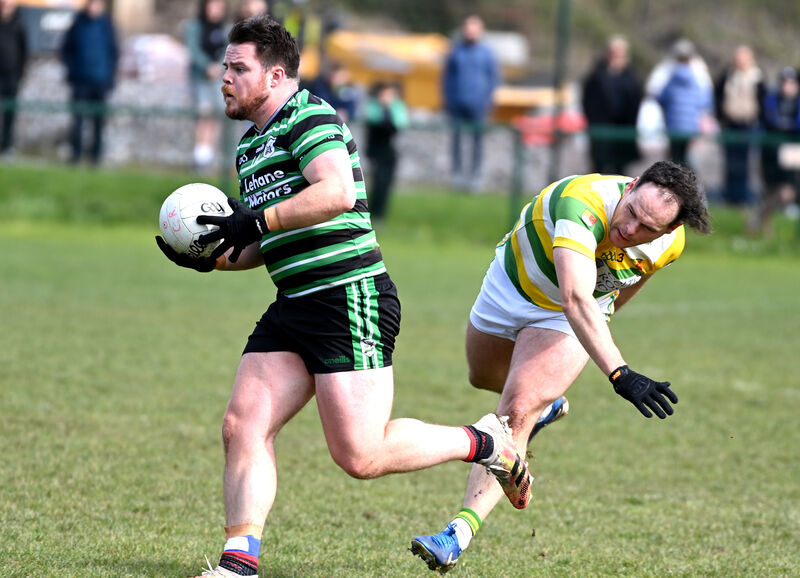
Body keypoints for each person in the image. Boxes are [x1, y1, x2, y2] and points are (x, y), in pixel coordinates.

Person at [154, 16, 532, 577]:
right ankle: (239, 562)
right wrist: (213, 256)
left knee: (360, 456)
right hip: (295, 303)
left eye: (238, 68)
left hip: (347, 296)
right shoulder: (252, 145)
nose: (224, 77)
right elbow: (266, 237)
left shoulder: (308, 116)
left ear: (276, 75)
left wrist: (253, 219)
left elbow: (336, 192)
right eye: (225, 66)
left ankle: (483, 442)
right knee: (243, 424)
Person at [410, 160, 712, 573]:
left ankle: (456, 535)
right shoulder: (580, 202)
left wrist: (602, 337)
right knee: (480, 376)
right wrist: (621, 372)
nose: (630, 229)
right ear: (632, 185)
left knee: (514, 413)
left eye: (647, 228)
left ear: (667, 231)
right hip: (512, 288)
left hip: (565, 316)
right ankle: (547, 407)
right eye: (632, 212)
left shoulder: (669, 244)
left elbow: (621, 286)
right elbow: (575, 295)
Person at [442, 14, 500, 193]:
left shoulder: (487, 54)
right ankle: (457, 176)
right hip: (457, 104)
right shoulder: (456, 51)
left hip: (478, 106)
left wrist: (488, 101)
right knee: (457, 140)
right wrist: (449, 100)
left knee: (477, 142)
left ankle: (476, 176)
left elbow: (493, 79)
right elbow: (447, 79)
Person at [60, 0, 118, 165]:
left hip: (100, 81)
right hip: (80, 81)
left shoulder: (107, 25)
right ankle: (76, 154)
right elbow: (66, 49)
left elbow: (114, 52)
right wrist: (72, 72)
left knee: (98, 121)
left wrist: (110, 78)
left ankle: (96, 156)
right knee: (78, 119)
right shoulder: (77, 23)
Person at [581, 35, 643, 175]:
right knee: (598, 172)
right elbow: (588, 101)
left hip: (623, 131)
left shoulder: (631, 77)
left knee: (621, 173)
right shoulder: (597, 75)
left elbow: (636, 101)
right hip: (602, 131)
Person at [715, 45, 765, 206]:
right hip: (730, 124)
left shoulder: (757, 77)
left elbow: (762, 101)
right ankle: (729, 196)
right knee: (730, 161)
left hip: (748, 125)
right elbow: (718, 96)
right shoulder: (728, 76)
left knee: (744, 163)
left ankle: (742, 196)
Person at [655, 39, 715, 165]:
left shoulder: (669, 75)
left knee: (674, 158)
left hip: (673, 125)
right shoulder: (698, 76)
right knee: (685, 157)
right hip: (690, 126)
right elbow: (704, 101)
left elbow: (660, 97)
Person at [185, 0, 229, 172]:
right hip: (200, 78)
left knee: (216, 115)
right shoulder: (194, 27)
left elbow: (228, 48)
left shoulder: (226, 28)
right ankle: (200, 155)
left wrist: (218, 67)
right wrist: (206, 66)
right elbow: (193, 49)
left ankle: (209, 154)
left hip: (218, 77)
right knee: (203, 114)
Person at [757, 66, 800, 237]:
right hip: (771, 151)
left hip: (791, 151)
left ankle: (759, 216)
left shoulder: (796, 102)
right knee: (769, 190)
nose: (787, 86)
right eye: (784, 82)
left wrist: (786, 127)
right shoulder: (772, 99)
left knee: (788, 192)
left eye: (791, 82)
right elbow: (769, 120)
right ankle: (765, 230)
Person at [364, 81, 408, 221]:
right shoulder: (373, 106)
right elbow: (374, 120)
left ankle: (380, 213)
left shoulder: (396, 107)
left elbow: (400, 122)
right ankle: (373, 212)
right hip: (376, 150)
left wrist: (389, 109)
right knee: (378, 181)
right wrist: (384, 109)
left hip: (389, 151)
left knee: (386, 183)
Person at [0, 0, 27, 156]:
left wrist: (20, 75)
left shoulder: (19, 26)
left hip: (12, 76)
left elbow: (24, 52)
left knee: (10, 114)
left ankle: (7, 146)